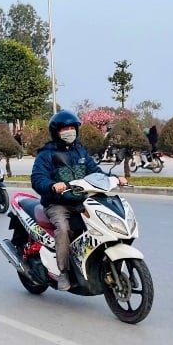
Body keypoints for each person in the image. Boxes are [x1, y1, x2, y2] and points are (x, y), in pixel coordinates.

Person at [31, 111, 127, 291]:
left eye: (72, 128)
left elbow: (95, 172)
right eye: (65, 129)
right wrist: (52, 185)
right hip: (57, 203)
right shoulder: (46, 154)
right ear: (56, 132)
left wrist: (114, 178)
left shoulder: (80, 151)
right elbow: (37, 179)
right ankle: (63, 272)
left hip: (81, 200)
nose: (69, 132)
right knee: (64, 228)